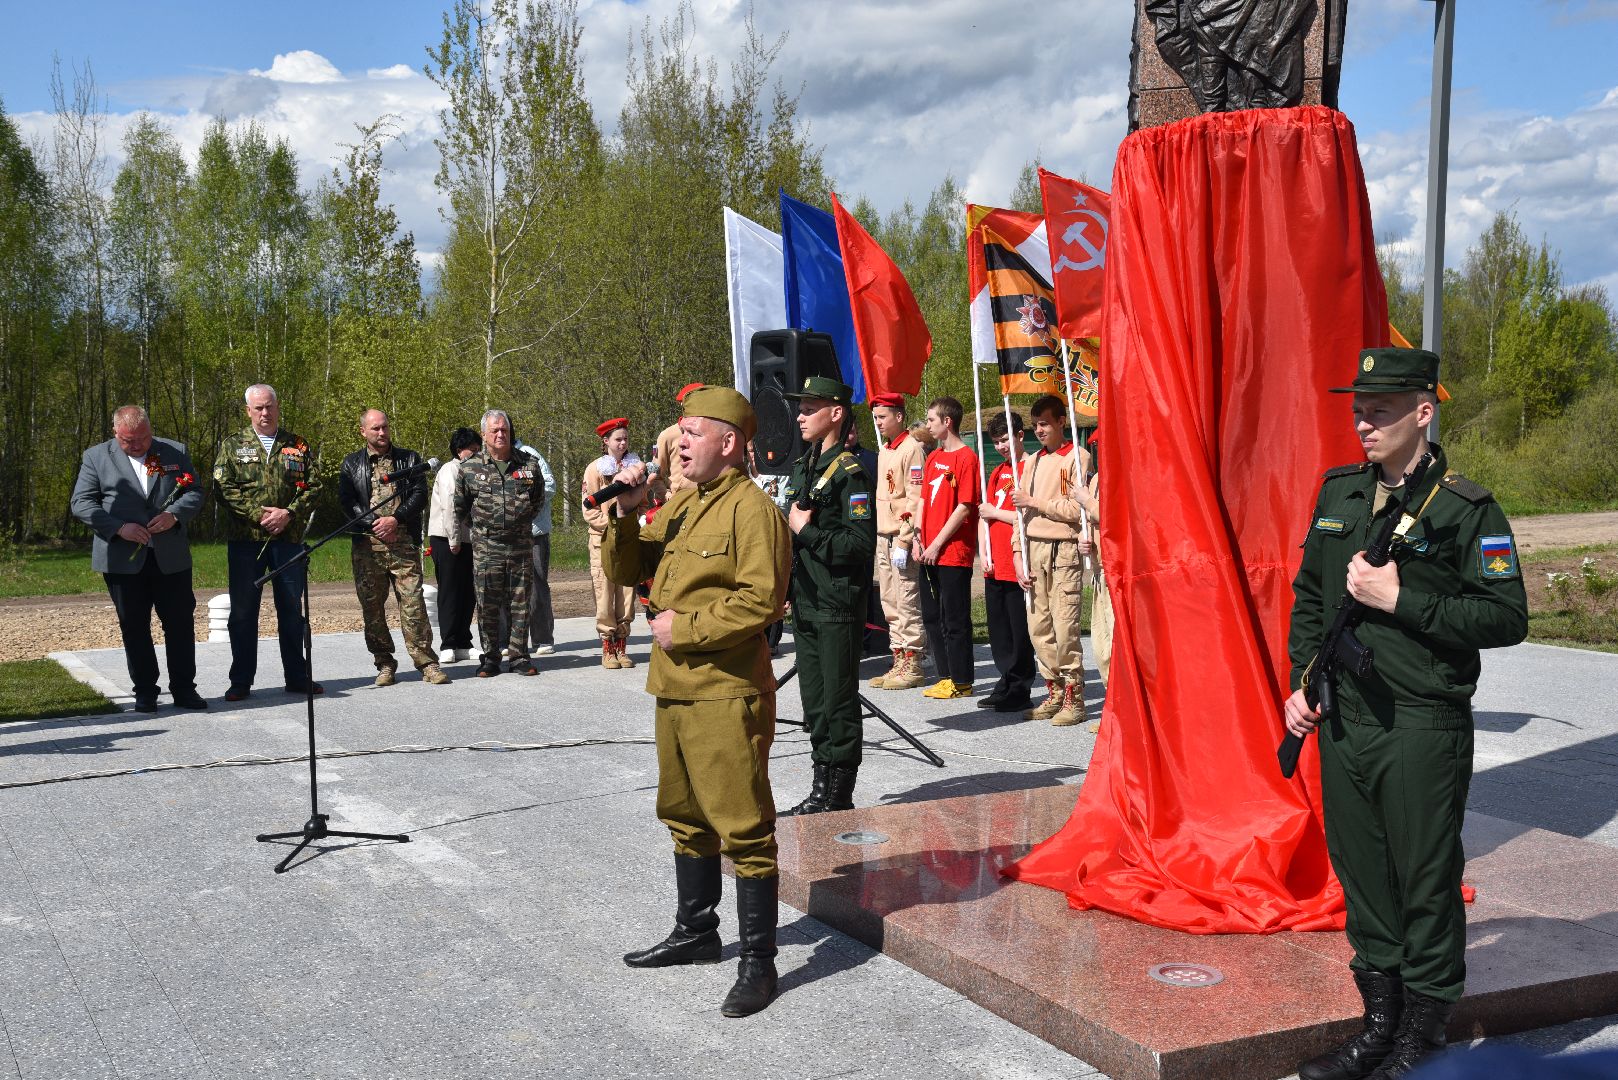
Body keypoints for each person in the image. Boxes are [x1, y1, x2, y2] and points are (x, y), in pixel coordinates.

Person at [1284, 348, 1527, 1080]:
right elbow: (1308, 601)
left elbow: (1506, 616)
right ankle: (1379, 1026)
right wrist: (1303, 684)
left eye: (1381, 410)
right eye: (1359, 409)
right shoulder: (1341, 494)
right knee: (1363, 876)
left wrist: (1403, 600)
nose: (1364, 422)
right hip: (1347, 718)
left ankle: (1424, 1037)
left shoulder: (1465, 508)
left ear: (1424, 411)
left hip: (1421, 721)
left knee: (1423, 877)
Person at [600, 386, 791, 1019]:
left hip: (724, 690)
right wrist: (626, 512)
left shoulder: (751, 510)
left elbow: (761, 600)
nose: (679, 443)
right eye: (679, 433)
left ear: (729, 443)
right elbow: (631, 570)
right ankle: (697, 933)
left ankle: (759, 964)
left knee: (742, 825)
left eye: (692, 432)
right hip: (675, 688)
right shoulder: (683, 505)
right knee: (684, 815)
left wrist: (685, 628)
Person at [778, 375, 877, 815]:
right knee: (814, 702)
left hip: (836, 603)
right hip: (806, 601)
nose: (799, 415)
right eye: (800, 408)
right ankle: (821, 786)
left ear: (835, 413)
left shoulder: (851, 474)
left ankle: (838, 795)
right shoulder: (805, 467)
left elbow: (859, 545)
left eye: (809, 408)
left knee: (838, 702)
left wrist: (808, 530)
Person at [70, 405, 208, 712]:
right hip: (122, 559)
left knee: (180, 624)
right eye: (128, 441)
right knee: (133, 625)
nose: (137, 446)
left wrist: (174, 515)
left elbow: (194, 492)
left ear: (150, 430)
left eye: (143, 439)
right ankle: (146, 691)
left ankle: (185, 689)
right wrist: (119, 528)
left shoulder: (173, 451)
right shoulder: (96, 457)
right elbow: (81, 503)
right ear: (115, 432)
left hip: (169, 557)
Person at [212, 384, 323, 701]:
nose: (265, 413)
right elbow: (224, 488)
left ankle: (297, 676)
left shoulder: (296, 445)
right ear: (248, 410)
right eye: (258, 408)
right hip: (247, 542)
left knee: (291, 610)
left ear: (278, 407)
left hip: (288, 540)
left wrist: (289, 512)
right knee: (243, 613)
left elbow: (314, 486)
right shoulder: (233, 446)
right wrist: (258, 515)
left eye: (269, 406)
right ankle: (241, 681)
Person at [338, 410, 448, 688]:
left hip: (403, 544)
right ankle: (384, 662)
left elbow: (419, 494)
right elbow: (348, 500)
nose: (382, 432)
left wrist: (395, 520)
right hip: (368, 547)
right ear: (363, 431)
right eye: (375, 428)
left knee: (413, 603)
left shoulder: (409, 459)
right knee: (372, 609)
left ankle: (426, 662)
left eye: (385, 427)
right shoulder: (352, 464)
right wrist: (374, 523)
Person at [1010, 395, 1090, 726]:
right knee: (1038, 626)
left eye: (1045, 423)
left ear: (1060, 422)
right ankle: (1053, 687)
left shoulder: (1078, 457)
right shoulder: (1031, 463)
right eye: (1035, 425)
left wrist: (1037, 502)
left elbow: (1077, 510)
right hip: (1034, 549)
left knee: (1064, 624)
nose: (1039, 430)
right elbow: (1019, 513)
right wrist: (1018, 553)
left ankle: (1075, 692)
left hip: (1064, 551)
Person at [454, 409, 546, 678]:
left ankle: (519, 656)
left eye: (504, 430)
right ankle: (490, 657)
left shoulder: (528, 464)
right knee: (487, 603)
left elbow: (538, 500)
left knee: (520, 602)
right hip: (486, 547)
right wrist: (484, 530)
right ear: (484, 435)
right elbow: (460, 507)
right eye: (494, 430)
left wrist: (518, 523)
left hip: (520, 545)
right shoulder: (470, 468)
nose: (500, 434)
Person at [914, 397, 981, 699]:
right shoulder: (932, 459)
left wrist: (938, 542)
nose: (927, 425)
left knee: (955, 618)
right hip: (927, 551)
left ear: (947, 422)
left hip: (952, 552)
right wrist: (917, 538)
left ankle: (962, 680)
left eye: (931, 420)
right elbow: (922, 501)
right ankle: (945, 676)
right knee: (932, 616)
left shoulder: (966, 458)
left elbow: (965, 506)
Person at [976, 410, 1036, 712]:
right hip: (994, 563)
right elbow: (983, 515)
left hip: (1016, 562)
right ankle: (1005, 679)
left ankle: (1020, 685)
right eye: (996, 442)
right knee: (999, 630)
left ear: (1019, 436)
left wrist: (994, 514)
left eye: (1005, 440)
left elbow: (1027, 517)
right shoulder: (998, 472)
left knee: (1018, 630)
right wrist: (984, 553)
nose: (1000, 446)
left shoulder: (1030, 468)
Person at [869, 393, 928, 690]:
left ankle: (914, 660)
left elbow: (915, 499)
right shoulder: (886, 450)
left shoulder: (911, 449)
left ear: (899, 416)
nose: (877, 423)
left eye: (882, 417)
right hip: (883, 534)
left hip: (899, 536)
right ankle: (898, 655)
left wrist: (905, 540)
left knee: (906, 597)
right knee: (889, 599)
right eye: (876, 417)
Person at [582, 418, 641, 669]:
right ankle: (607, 646)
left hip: (628, 540)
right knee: (605, 591)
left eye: (626, 438)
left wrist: (634, 523)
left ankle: (622, 644)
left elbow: (643, 500)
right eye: (618, 439)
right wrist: (613, 525)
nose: (623, 443)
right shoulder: (595, 469)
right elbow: (589, 510)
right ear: (606, 442)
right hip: (602, 539)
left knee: (627, 592)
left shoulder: (635, 467)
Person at [428, 427, 481, 662]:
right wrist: (454, 539)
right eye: (474, 450)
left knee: (468, 592)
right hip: (446, 538)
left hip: (468, 539)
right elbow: (451, 506)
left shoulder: (472, 471)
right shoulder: (450, 470)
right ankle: (448, 643)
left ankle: (463, 641)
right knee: (450, 591)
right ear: (460, 451)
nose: (478, 455)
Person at [514, 434, 559, 656]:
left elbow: (550, 484)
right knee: (505, 586)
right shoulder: (489, 459)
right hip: (505, 534)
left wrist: (525, 501)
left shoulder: (529, 454)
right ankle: (505, 642)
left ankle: (542, 639)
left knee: (537, 584)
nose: (500, 435)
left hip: (534, 532)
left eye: (504, 430)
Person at [652, 382, 704, 504]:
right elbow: (655, 475)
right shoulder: (668, 435)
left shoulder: (712, 432)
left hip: (709, 500)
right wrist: (667, 496)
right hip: (680, 503)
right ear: (683, 406)